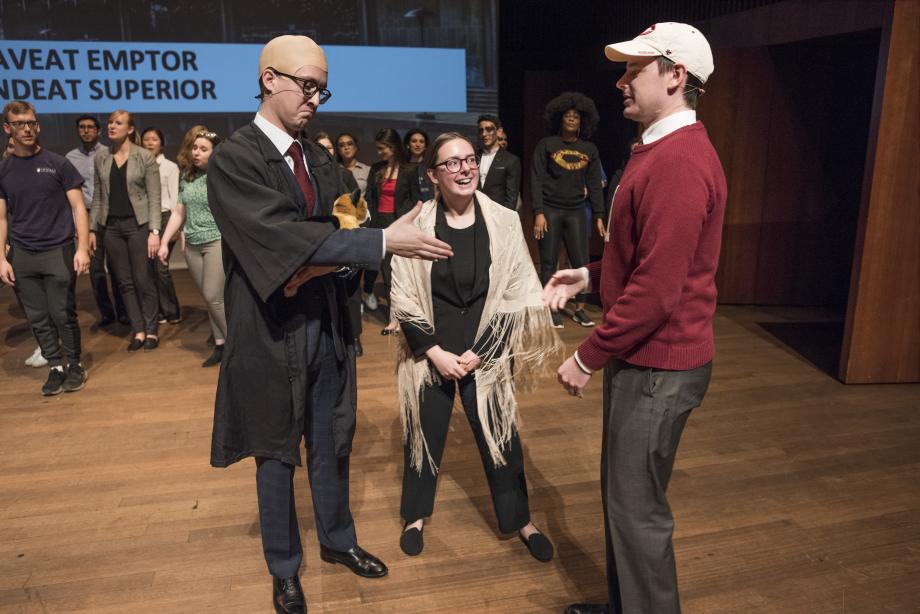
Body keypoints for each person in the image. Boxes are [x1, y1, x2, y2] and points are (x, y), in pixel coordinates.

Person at [205, 35, 452, 614]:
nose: (315, 98)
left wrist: (321, 258)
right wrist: (369, 243)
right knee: (275, 452)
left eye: (322, 87)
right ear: (269, 79)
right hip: (271, 329)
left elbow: (337, 228)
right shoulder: (235, 159)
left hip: (328, 323)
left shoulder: (318, 159)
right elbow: (280, 239)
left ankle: (338, 541)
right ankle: (284, 568)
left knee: (331, 441)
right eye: (306, 84)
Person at [543, 23, 726, 614]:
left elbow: (656, 292)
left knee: (638, 512)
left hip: (658, 365)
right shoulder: (658, 148)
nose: (620, 80)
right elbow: (644, 257)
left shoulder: (679, 162)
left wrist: (586, 355)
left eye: (634, 69)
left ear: (676, 77)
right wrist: (591, 275)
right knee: (623, 501)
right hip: (645, 359)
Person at [391, 132, 562, 561]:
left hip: (484, 351)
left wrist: (483, 350)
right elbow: (403, 298)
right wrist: (435, 353)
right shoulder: (416, 226)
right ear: (432, 175)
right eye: (452, 162)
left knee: (501, 436)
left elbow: (518, 292)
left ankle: (520, 520)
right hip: (432, 352)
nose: (465, 168)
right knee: (422, 434)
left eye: (469, 160)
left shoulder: (503, 220)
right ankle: (415, 515)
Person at [0, 100, 90, 395]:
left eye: (31, 122)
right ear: (7, 129)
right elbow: (1, 217)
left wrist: (82, 249)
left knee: (62, 312)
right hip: (23, 253)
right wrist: (1, 257)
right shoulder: (4, 169)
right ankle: (55, 366)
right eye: (19, 124)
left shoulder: (57, 163)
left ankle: (75, 364)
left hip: (58, 249)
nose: (27, 128)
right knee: (37, 316)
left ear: (37, 125)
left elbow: (78, 208)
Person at [531, 92, 606, 329]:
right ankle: (552, 308)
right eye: (567, 115)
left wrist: (599, 215)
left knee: (581, 262)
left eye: (576, 116)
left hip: (576, 212)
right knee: (549, 262)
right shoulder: (547, 145)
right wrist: (538, 212)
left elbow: (594, 184)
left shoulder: (590, 149)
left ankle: (579, 309)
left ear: (583, 121)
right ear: (559, 119)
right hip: (550, 210)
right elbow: (536, 180)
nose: (572, 118)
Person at [90, 110, 162, 352]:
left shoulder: (144, 157)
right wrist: (93, 229)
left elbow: (154, 195)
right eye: (110, 122)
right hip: (111, 227)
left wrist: (154, 230)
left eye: (118, 123)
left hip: (138, 225)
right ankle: (138, 330)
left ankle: (151, 330)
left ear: (130, 129)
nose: (111, 126)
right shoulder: (101, 157)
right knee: (124, 282)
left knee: (143, 279)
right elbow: (98, 197)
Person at [157, 129, 226, 367]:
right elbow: (179, 211)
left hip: (216, 240)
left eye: (203, 149)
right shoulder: (187, 175)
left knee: (213, 295)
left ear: (215, 152)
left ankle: (236, 344)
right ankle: (220, 345)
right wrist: (165, 242)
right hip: (192, 245)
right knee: (209, 299)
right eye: (195, 148)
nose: (196, 152)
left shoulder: (222, 176)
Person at [66, 114, 127, 327]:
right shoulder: (70, 158)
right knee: (95, 268)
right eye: (81, 127)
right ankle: (106, 312)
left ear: (98, 131)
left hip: (111, 214)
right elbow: (70, 195)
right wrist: (76, 222)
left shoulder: (109, 153)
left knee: (117, 264)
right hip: (87, 215)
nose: (86, 131)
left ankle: (124, 311)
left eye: (90, 127)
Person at [363, 127, 411, 333]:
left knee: (398, 275)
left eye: (383, 148)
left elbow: (413, 199)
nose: (380, 152)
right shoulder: (376, 169)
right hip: (379, 226)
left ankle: (398, 318)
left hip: (400, 225)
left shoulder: (409, 170)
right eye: (378, 148)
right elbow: (370, 199)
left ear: (393, 147)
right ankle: (393, 320)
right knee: (386, 272)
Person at [141, 126, 181, 324]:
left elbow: (175, 197)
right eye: (146, 139)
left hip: (165, 218)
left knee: (160, 266)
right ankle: (158, 311)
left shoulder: (170, 167)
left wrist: (176, 227)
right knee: (149, 269)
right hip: (145, 219)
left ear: (162, 144)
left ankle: (172, 311)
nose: (149, 143)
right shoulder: (139, 165)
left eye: (154, 139)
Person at [476, 114, 521, 210]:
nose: (484, 134)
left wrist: (506, 220)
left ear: (499, 131)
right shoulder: (473, 157)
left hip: (497, 214)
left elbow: (511, 197)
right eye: (481, 130)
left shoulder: (511, 160)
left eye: (488, 129)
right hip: (474, 212)